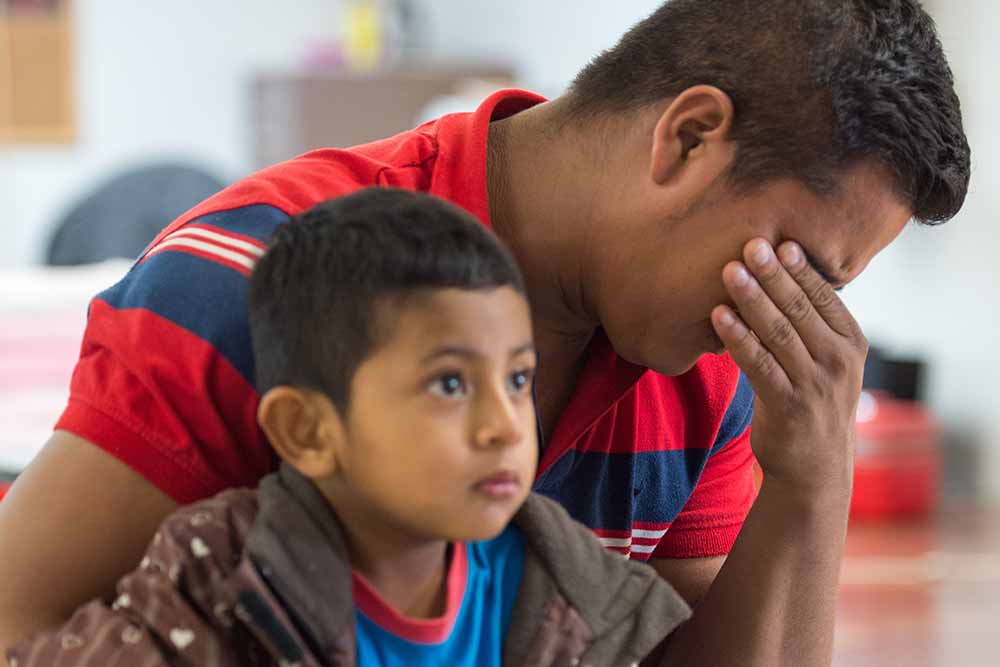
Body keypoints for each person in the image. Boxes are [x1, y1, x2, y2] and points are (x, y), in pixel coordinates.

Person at [0, 1, 969, 665]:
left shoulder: (709, 362)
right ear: (686, 137)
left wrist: (812, 471)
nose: (800, 312)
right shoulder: (252, 276)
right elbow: (17, 628)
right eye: (798, 258)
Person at [6, 188, 691, 666]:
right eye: (450, 383)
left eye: (517, 379)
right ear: (306, 430)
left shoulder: (571, 590)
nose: (503, 425)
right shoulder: (220, 573)